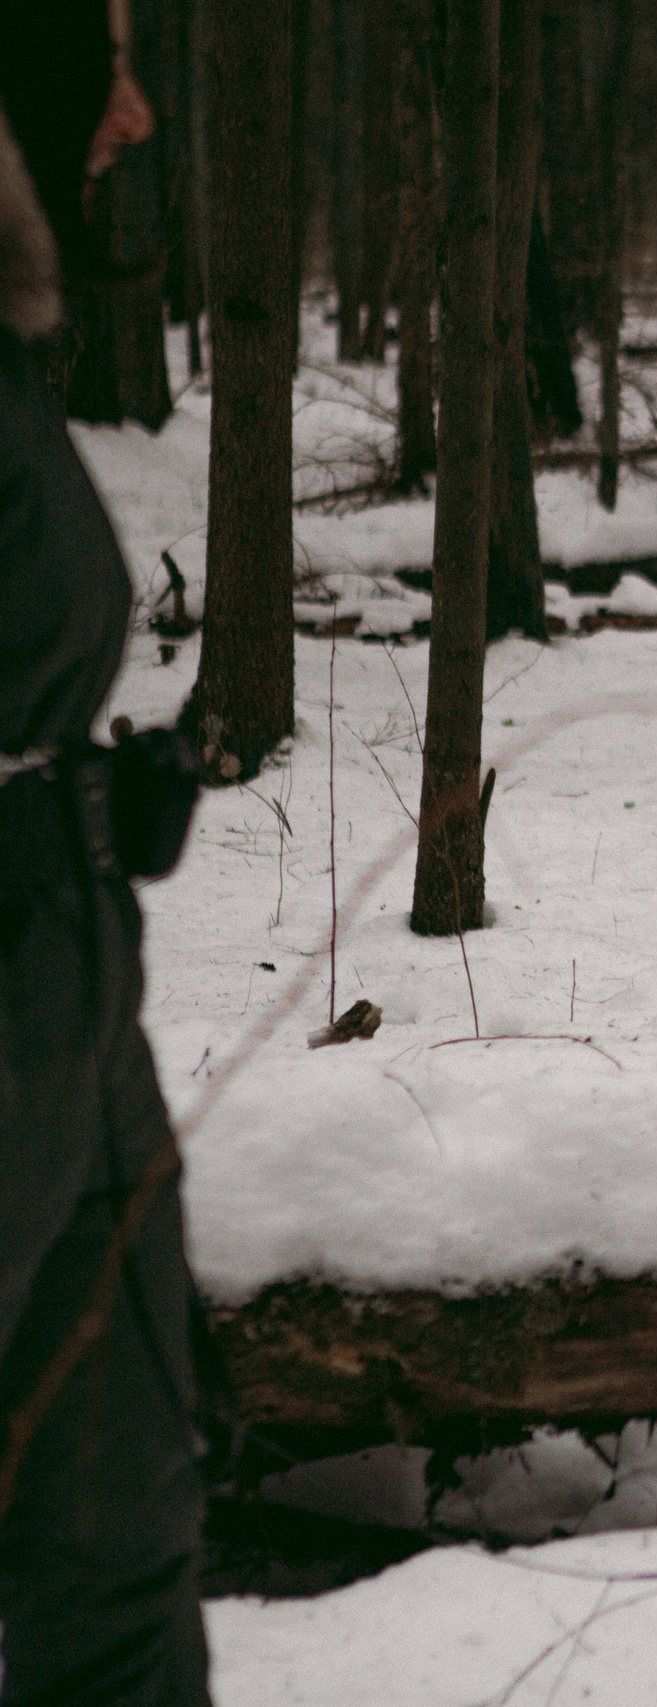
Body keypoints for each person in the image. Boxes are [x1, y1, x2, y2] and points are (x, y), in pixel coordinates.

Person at [0, 5, 209, 1702]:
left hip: (65, 1003)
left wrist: (70, 789)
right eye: (101, 56)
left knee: (115, 1540)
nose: (131, 114)